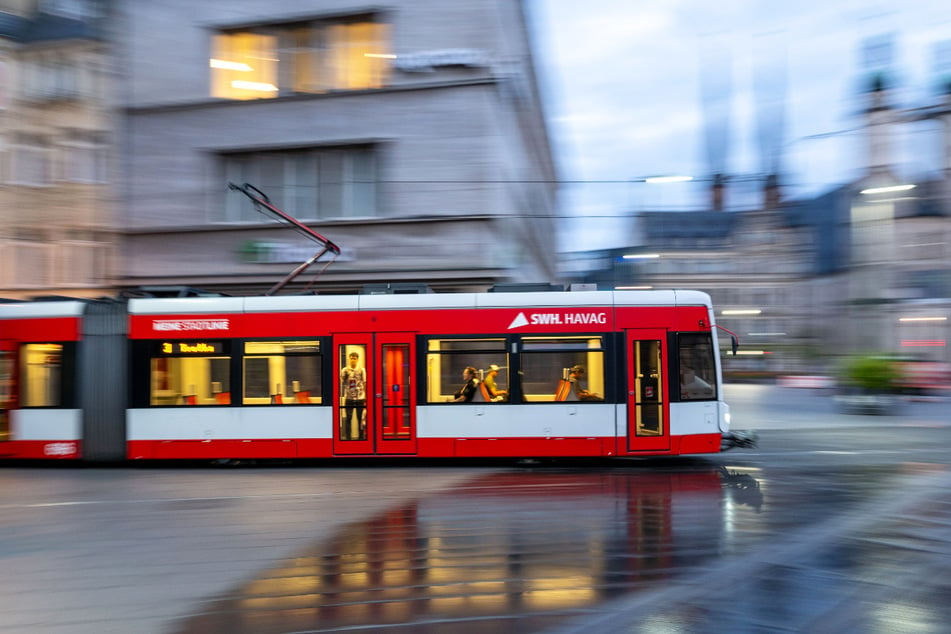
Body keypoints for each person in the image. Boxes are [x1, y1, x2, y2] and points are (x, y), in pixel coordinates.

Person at [340, 351, 366, 439]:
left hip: (360, 397)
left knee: (360, 418)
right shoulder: (344, 370)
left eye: (354, 358)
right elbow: (341, 382)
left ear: (357, 359)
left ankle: (361, 438)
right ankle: (348, 437)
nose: (353, 360)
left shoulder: (362, 370)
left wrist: (366, 397)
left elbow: (365, 383)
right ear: (349, 359)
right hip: (349, 398)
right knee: (348, 419)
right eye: (351, 358)